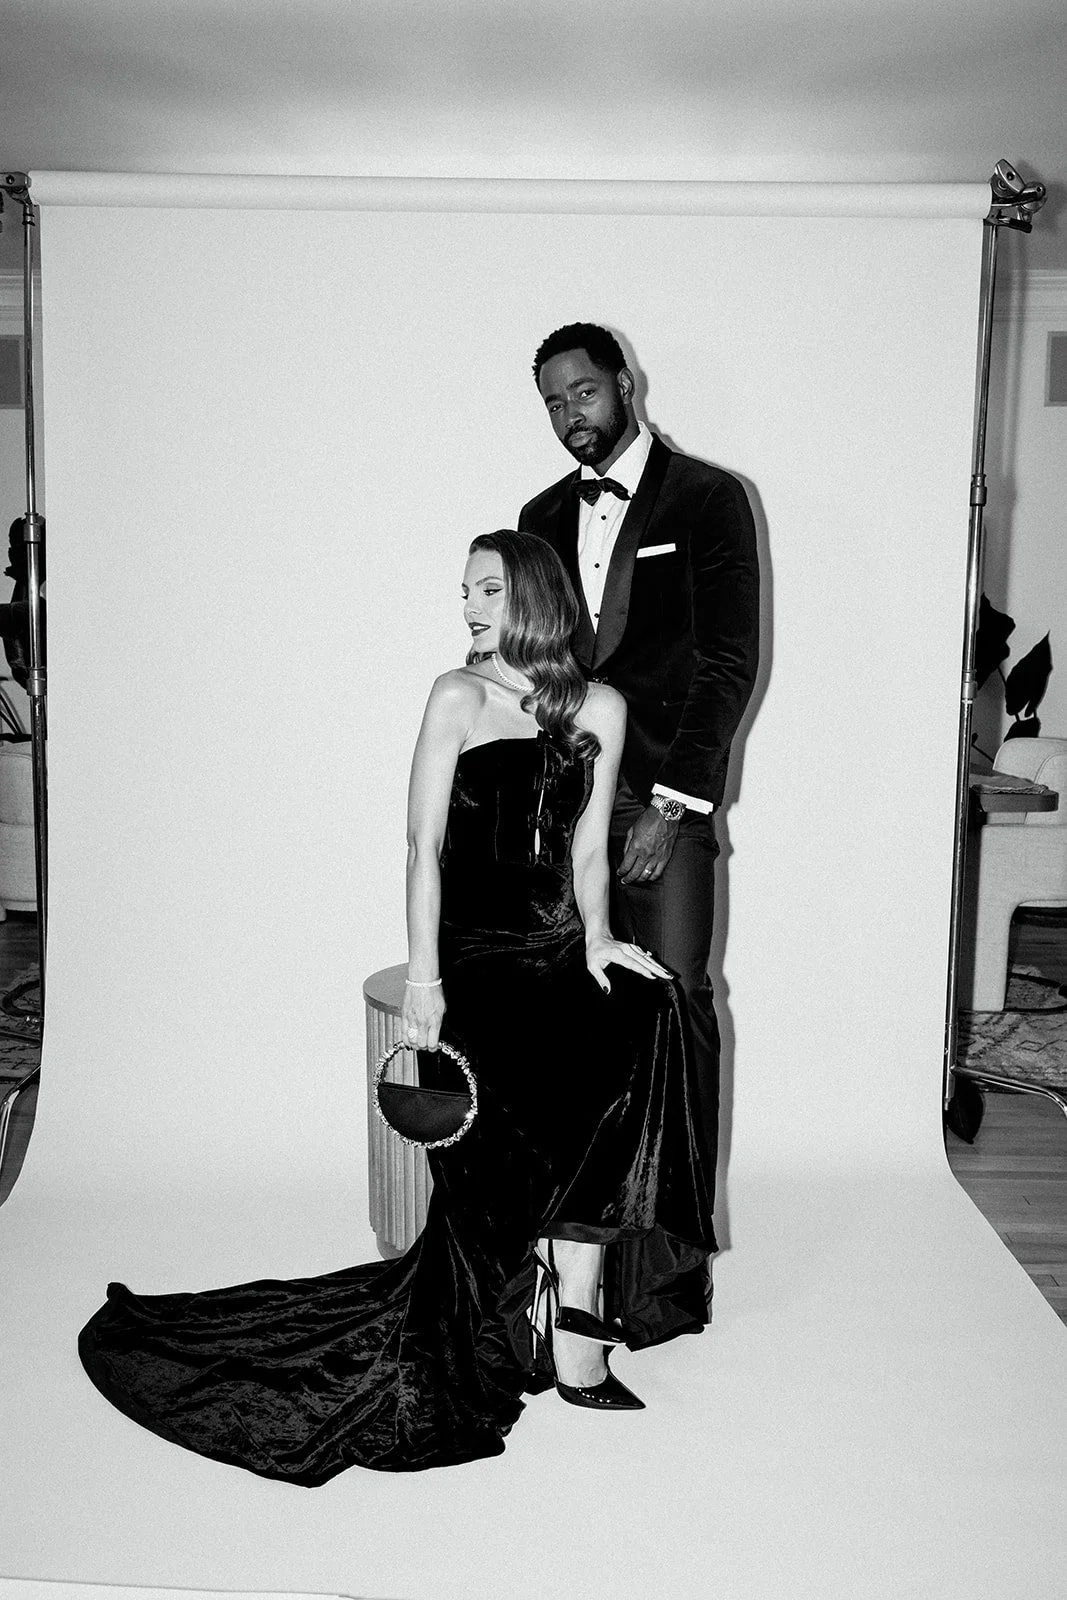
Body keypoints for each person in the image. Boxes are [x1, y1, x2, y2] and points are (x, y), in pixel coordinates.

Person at [78, 531, 716, 1483]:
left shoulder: (602, 706)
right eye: (464, 590)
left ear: (534, 597)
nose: (468, 606)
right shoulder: (455, 695)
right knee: (547, 1083)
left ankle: (576, 1317)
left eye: (488, 590)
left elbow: (588, 847)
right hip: (483, 952)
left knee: (648, 1019)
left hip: (554, 940)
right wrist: (425, 978)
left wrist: (597, 940)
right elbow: (421, 847)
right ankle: (545, 1320)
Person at [518, 324, 760, 1164]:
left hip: (665, 803)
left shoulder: (706, 497)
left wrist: (669, 806)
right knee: (580, 1017)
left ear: (626, 383)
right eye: (552, 402)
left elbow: (729, 664)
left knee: (675, 1005)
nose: (568, 414)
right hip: (567, 810)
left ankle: (664, 1287)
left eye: (582, 392)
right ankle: (589, 1267)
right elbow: (536, 668)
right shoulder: (539, 517)